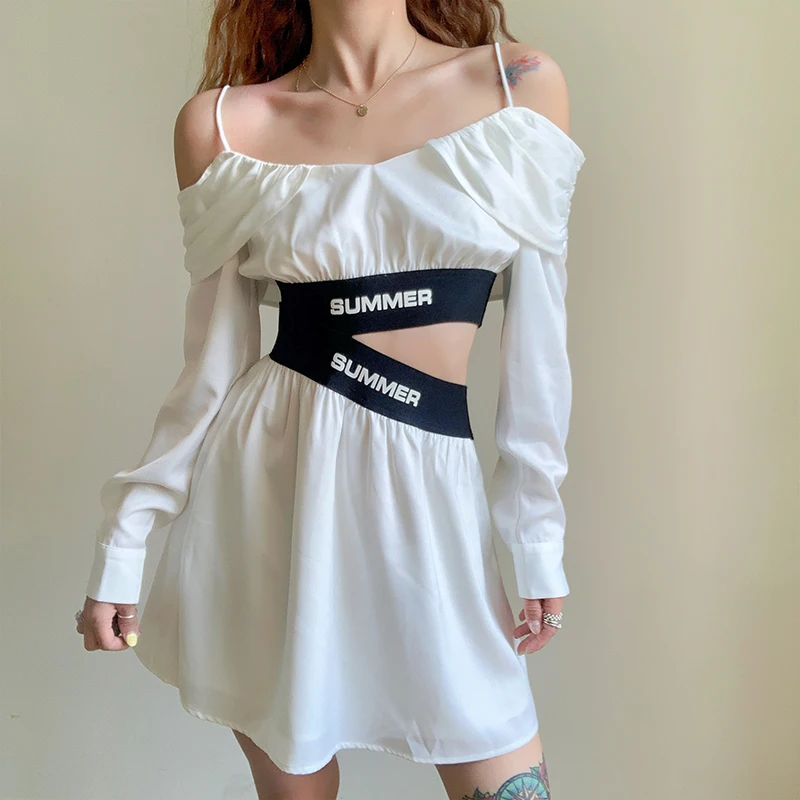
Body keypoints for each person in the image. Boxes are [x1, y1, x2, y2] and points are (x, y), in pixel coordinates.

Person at [75, 2, 586, 798]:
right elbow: (210, 368)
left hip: (433, 497)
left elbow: (540, 348)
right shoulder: (222, 125)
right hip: (274, 494)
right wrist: (125, 541)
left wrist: (536, 535)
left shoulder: (517, 86)